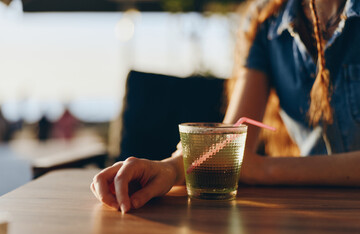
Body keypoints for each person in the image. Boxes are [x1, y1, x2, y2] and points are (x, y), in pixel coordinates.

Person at [91, 0, 360, 213]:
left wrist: (266, 169)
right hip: (313, 211)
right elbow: (231, 140)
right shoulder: (265, 19)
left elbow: (247, 164)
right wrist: (168, 168)